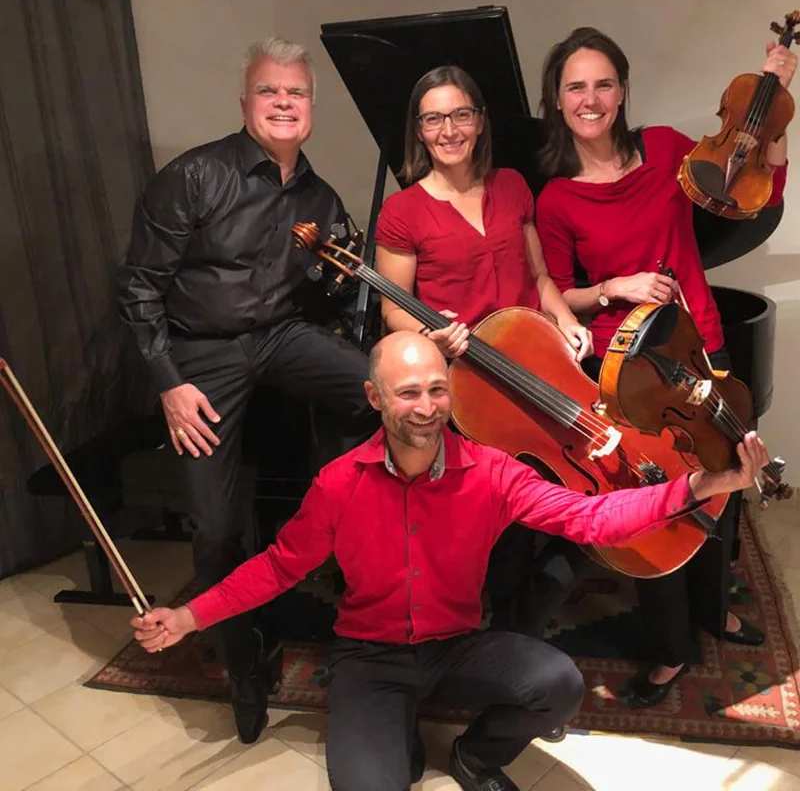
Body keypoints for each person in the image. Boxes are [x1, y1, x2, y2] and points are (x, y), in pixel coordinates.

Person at [131, 331, 768, 791]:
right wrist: (190, 616)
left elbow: (590, 518)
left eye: (438, 389)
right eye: (408, 392)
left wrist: (701, 487)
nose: (428, 406)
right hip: (369, 658)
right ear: (375, 398)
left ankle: (474, 758)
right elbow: (276, 567)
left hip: (456, 646)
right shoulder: (336, 484)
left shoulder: (491, 472)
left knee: (558, 684)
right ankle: (396, 730)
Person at [117, 36, 377, 743]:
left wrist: (338, 281)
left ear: (311, 107)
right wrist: (170, 384)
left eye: (295, 93)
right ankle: (243, 664)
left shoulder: (320, 197)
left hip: (281, 337)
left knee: (381, 388)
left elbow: (322, 293)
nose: (284, 103)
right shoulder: (195, 177)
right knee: (215, 526)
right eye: (270, 91)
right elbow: (138, 288)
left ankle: (351, 510)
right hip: (203, 353)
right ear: (246, 102)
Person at [533, 26, 796, 707]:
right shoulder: (557, 196)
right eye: (575, 87)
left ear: (621, 91)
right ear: (556, 101)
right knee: (653, 504)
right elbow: (557, 293)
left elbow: (755, 192)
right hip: (630, 372)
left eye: (603, 83)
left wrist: (775, 103)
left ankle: (714, 612)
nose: (590, 98)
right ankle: (671, 648)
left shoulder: (668, 153)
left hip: (702, 343)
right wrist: (614, 286)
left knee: (724, 484)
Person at [373, 65, 592, 645]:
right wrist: (431, 335)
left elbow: (541, 275)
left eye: (461, 114)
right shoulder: (403, 211)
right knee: (501, 517)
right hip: (468, 376)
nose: (449, 129)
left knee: (574, 502)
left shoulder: (514, 186)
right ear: (419, 130)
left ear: (479, 121)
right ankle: (507, 638)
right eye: (435, 118)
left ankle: (522, 628)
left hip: (536, 365)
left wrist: (567, 319)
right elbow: (393, 311)